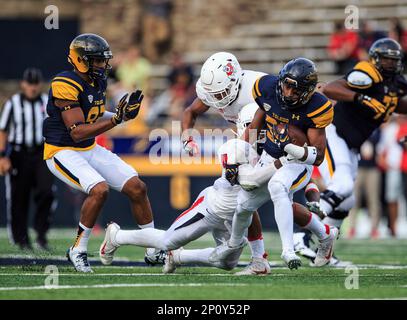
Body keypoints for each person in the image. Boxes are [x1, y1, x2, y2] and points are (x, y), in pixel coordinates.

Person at [99, 104, 337, 273]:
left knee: (228, 263)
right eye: (260, 126)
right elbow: (249, 182)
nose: (265, 131)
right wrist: (282, 161)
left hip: (234, 215)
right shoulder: (235, 147)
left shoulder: (268, 149)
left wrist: (296, 169)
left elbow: (290, 182)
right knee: (167, 241)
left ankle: (179, 257)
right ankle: (117, 236)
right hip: (212, 208)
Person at [209, 58, 338, 270]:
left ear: (307, 92)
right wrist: (237, 153)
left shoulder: (317, 107)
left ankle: (288, 250)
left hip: (298, 161)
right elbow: (254, 126)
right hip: (270, 156)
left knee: (277, 186)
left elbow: (318, 156)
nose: (288, 93)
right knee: (243, 207)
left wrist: (292, 148)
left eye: (295, 90)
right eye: (286, 85)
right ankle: (325, 236)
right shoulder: (267, 88)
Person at [42, 33, 155, 273]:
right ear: (82, 60)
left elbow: (93, 115)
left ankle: (153, 247)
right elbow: (78, 131)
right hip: (61, 150)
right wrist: (116, 119)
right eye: (97, 60)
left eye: (104, 60)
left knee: (137, 187)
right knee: (99, 189)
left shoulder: (97, 81)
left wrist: (121, 115)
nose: (103, 65)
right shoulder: (64, 83)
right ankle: (78, 249)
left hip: (88, 148)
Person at [312, 38, 407, 254]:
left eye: (394, 60)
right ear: (375, 58)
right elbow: (331, 88)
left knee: (347, 201)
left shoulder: (397, 83)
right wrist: (360, 97)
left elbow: (396, 104)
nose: (391, 64)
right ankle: (303, 232)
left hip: (353, 145)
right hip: (337, 133)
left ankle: (324, 252)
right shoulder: (367, 74)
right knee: (343, 185)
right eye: (386, 59)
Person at [181, 52, 270, 274]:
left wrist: (238, 151)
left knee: (280, 196)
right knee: (245, 198)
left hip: (274, 140)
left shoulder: (257, 86)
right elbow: (190, 111)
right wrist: (187, 138)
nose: (218, 98)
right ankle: (257, 257)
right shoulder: (213, 90)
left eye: (221, 91)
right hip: (247, 143)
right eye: (214, 94)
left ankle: (320, 234)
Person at [0, 68, 55, 250]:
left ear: (39, 85)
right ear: (23, 84)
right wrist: (2, 156)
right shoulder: (13, 103)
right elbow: (3, 131)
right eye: (29, 83)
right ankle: (21, 238)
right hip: (19, 154)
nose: (32, 87)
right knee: (19, 197)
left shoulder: (46, 103)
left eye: (35, 84)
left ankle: (41, 235)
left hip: (41, 153)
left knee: (46, 192)